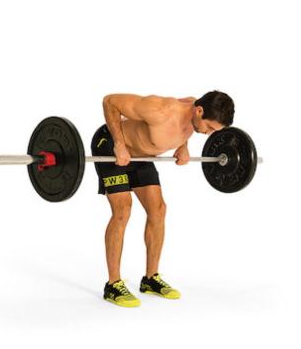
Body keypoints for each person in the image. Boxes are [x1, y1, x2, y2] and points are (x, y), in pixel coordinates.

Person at [92, 91, 234, 307]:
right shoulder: (159, 110)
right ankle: (113, 284)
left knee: (158, 210)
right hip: (112, 147)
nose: (208, 134)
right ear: (199, 111)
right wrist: (119, 144)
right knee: (123, 211)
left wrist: (183, 146)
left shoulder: (194, 108)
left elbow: (190, 105)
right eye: (210, 128)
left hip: (141, 156)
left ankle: (150, 279)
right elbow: (110, 101)